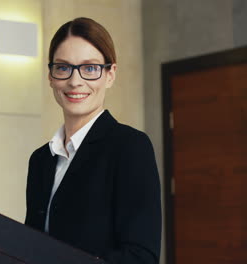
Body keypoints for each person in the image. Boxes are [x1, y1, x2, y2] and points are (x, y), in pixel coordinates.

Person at [25, 17, 161, 264]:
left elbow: (140, 257)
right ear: (51, 77)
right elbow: (32, 247)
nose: (75, 81)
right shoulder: (40, 160)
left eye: (90, 68)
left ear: (110, 75)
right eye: (63, 67)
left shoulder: (130, 148)